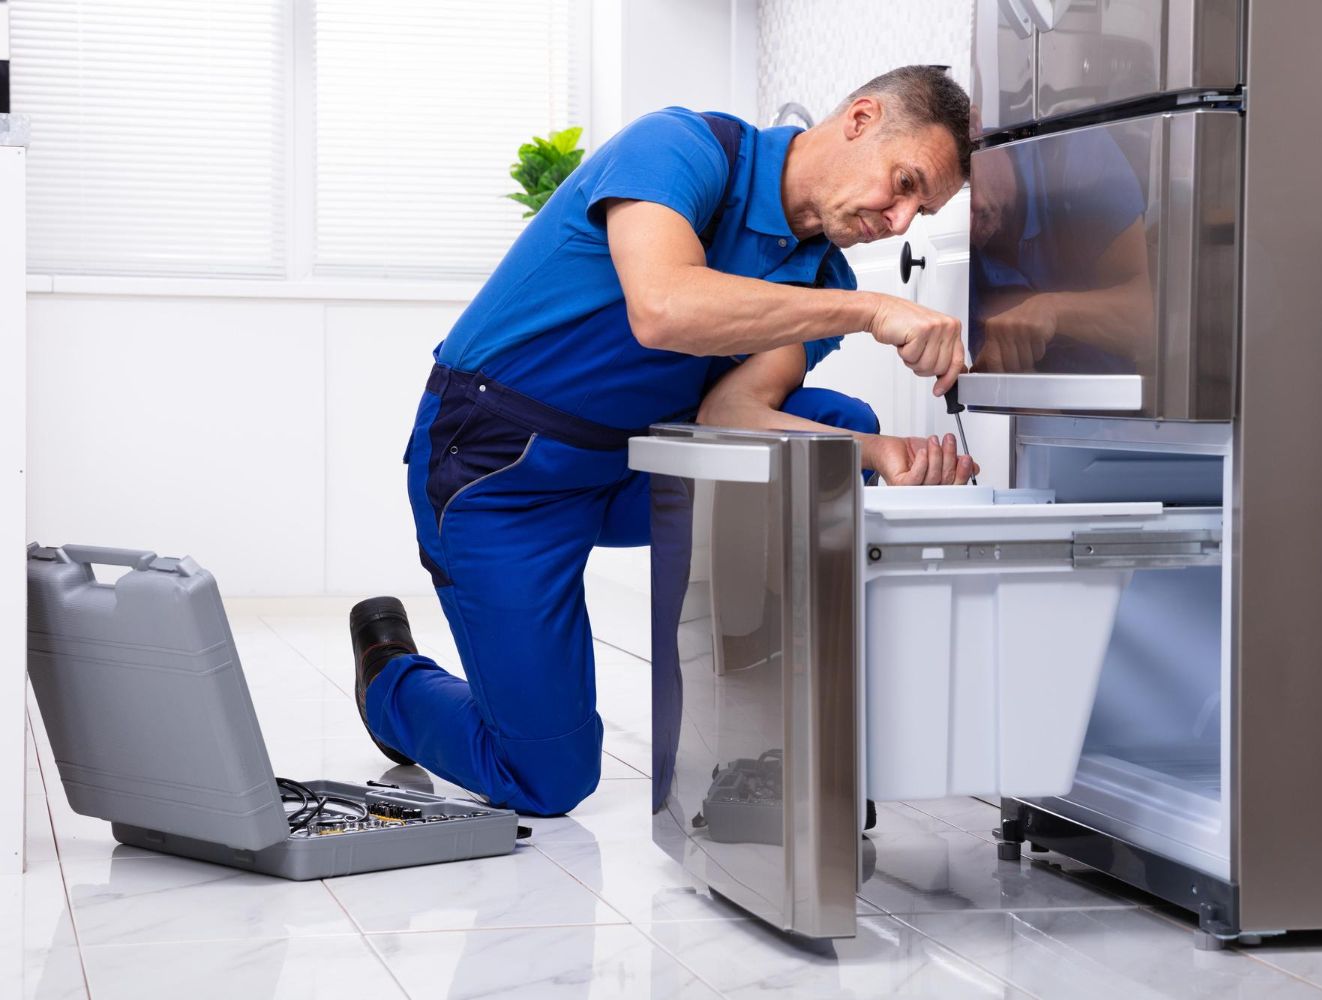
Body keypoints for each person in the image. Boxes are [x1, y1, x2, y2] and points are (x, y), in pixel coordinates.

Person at [349, 66, 980, 817]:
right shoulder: (683, 148)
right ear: (860, 119)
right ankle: (390, 681)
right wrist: (871, 309)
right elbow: (663, 306)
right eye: (903, 182)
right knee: (546, 779)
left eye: (924, 208)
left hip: (629, 464)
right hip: (499, 470)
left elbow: (731, 411)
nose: (903, 219)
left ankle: (776, 743)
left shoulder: (818, 276)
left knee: (838, 436)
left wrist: (885, 458)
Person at [968, 107, 1155, 374]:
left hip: (1119, 401)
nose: (969, 225)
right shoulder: (953, 246)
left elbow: (1144, 324)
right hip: (1031, 409)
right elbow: (1010, 384)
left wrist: (1051, 310)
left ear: (973, 127)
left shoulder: (1075, 153)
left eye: (966, 182)